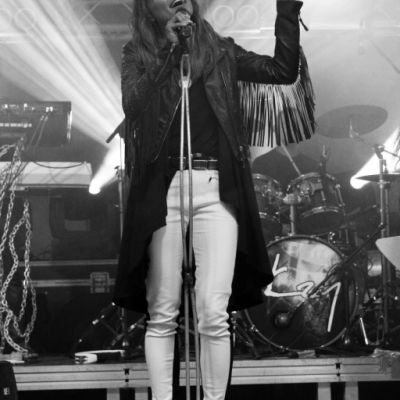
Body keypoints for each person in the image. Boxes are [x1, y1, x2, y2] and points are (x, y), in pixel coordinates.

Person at [113, 1, 307, 399]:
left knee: (214, 311)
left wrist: (287, 13)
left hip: (215, 187)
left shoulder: (219, 50)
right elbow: (133, 104)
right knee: (162, 311)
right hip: (163, 191)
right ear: (148, 8)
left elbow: (282, 71)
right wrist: (168, 53)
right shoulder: (139, 53)